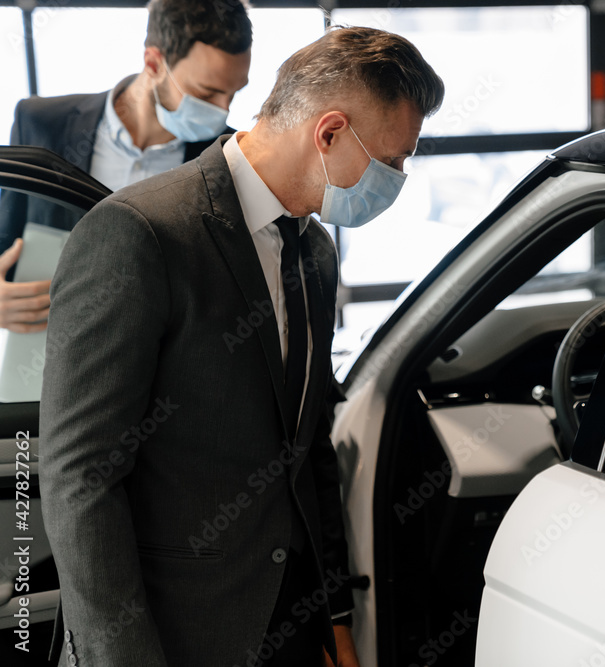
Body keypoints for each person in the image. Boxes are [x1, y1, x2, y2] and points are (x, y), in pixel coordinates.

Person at [38, 25, 444, 667]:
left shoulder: (312, 250)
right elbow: (79, 476)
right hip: (169, 633)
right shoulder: (140, 233)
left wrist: (334, 616)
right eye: (393, 160)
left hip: (287, 623)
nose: (396, 178)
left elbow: (306, 449)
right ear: (330, 133)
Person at [0, 0, 252, 333]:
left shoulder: (230, 156)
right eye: (207, 93)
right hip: (46, 355)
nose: (223, 110)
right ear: (153, 62)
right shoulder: (42, 124)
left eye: (234, 93)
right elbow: (5, 235)